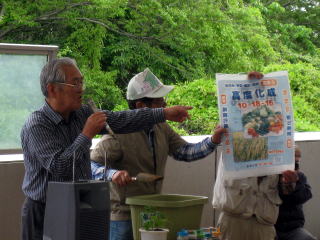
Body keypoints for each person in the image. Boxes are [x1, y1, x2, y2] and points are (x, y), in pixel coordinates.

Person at [20, 58, 192, 240]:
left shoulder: (81, 114)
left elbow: (121, 119)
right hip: (44, 210)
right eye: (75, 82)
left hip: (79, 203)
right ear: (52, 89)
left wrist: (163, 113)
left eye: (81, 81)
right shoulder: (37, 125)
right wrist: (86, 134)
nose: (81, 88)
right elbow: (60, 168)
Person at [90, 68, 226, 240]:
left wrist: (213, 140)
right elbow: (90, 165)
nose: (165, 106)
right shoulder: (117, 133)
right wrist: (112, 174)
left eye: (164, 101)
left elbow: (185, 152)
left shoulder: (161, 127)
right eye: (160, 102)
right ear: (141, 106)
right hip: (123, 217)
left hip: (152, 213)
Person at [213, 71, 294, 240]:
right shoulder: (231, 131)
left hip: (264, 224)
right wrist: (246, 84)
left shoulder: (281, 141)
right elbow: (232, 104)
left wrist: (289, 182)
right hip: (232, 221)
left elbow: (292, 192)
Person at [276, 146, 317, 240]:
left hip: (294, 227)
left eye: (297, 163)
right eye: (293, 163)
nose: (295, 166)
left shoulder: (300, 176)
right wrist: (283, 184)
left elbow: (306, 195)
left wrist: (296, 183)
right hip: (274, 226)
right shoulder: (274, 177)